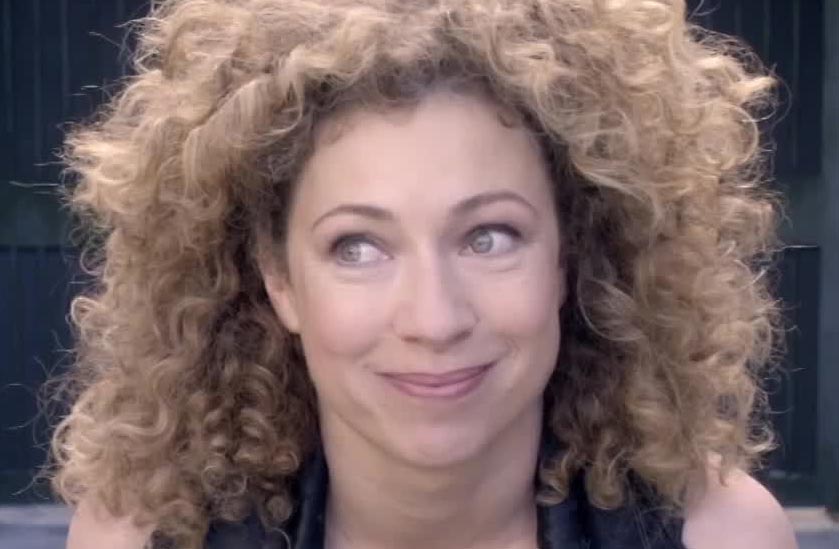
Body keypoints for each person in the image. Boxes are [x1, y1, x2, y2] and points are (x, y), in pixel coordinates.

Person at [52, 0, 798, 548]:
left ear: (568, 258)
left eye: (488, 237)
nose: (434, 320)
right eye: (357, 247)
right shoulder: (142, 538)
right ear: (279, 279)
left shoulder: (722, 537)